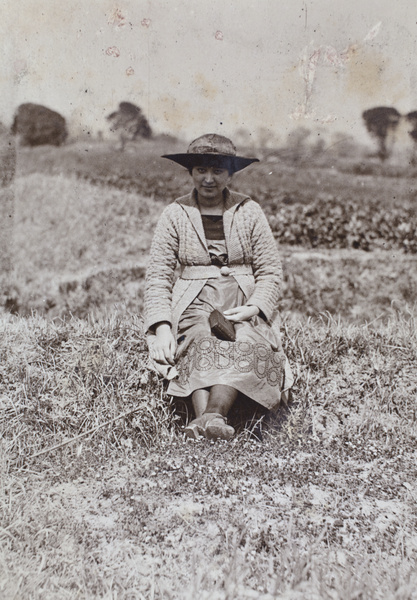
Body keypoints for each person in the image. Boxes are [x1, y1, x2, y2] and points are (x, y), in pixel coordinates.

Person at [144, 134, 293, 440]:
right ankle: (212, 419)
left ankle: (207, 419)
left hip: (241, 298)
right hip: (193, 300)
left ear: (230, 174)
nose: (208, 179)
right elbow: (158, 275)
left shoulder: (249, 211)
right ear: (191, 172)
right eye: (201, 170)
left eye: (218, 171)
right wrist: (160, 327)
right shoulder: (175, 213)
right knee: (197, 336)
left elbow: (270, 270)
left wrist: (254, 307)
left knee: (247, 338)